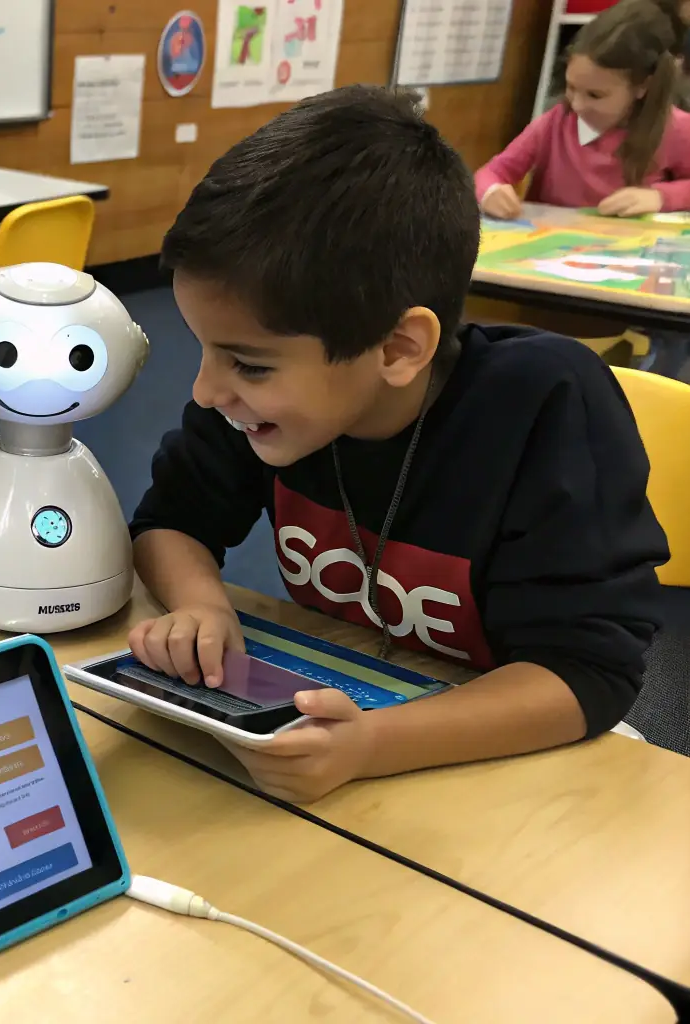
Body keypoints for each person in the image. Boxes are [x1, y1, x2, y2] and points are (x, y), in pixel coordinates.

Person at [127, 85, 669, 804]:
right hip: (363, 704)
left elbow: (585, 675)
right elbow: (170, 521)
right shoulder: (255, 409)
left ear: (397, 347)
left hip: (513, 760)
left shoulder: (543, 404)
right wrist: (201, 605)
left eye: (249, 363)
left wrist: (372, 746)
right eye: (202, 349)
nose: (204, 390)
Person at [479, 0, 690, 219]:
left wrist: (659, 196)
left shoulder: (676, 129)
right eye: (571, 87)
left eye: (595, 95)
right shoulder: (556, 121)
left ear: (643, 86)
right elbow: (492, 172)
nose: (577, 105)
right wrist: (491, 191)